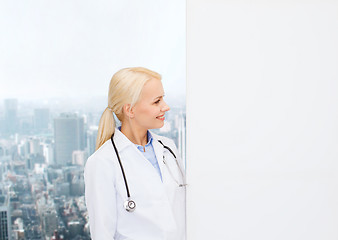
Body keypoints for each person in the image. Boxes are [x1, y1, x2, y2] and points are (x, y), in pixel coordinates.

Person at [84, 67, 186, 240]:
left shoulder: (168, 149)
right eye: (157, 101)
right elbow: (102, 234)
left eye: (163, 99)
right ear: (130, 110)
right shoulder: (102, 162)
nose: (166, 107)